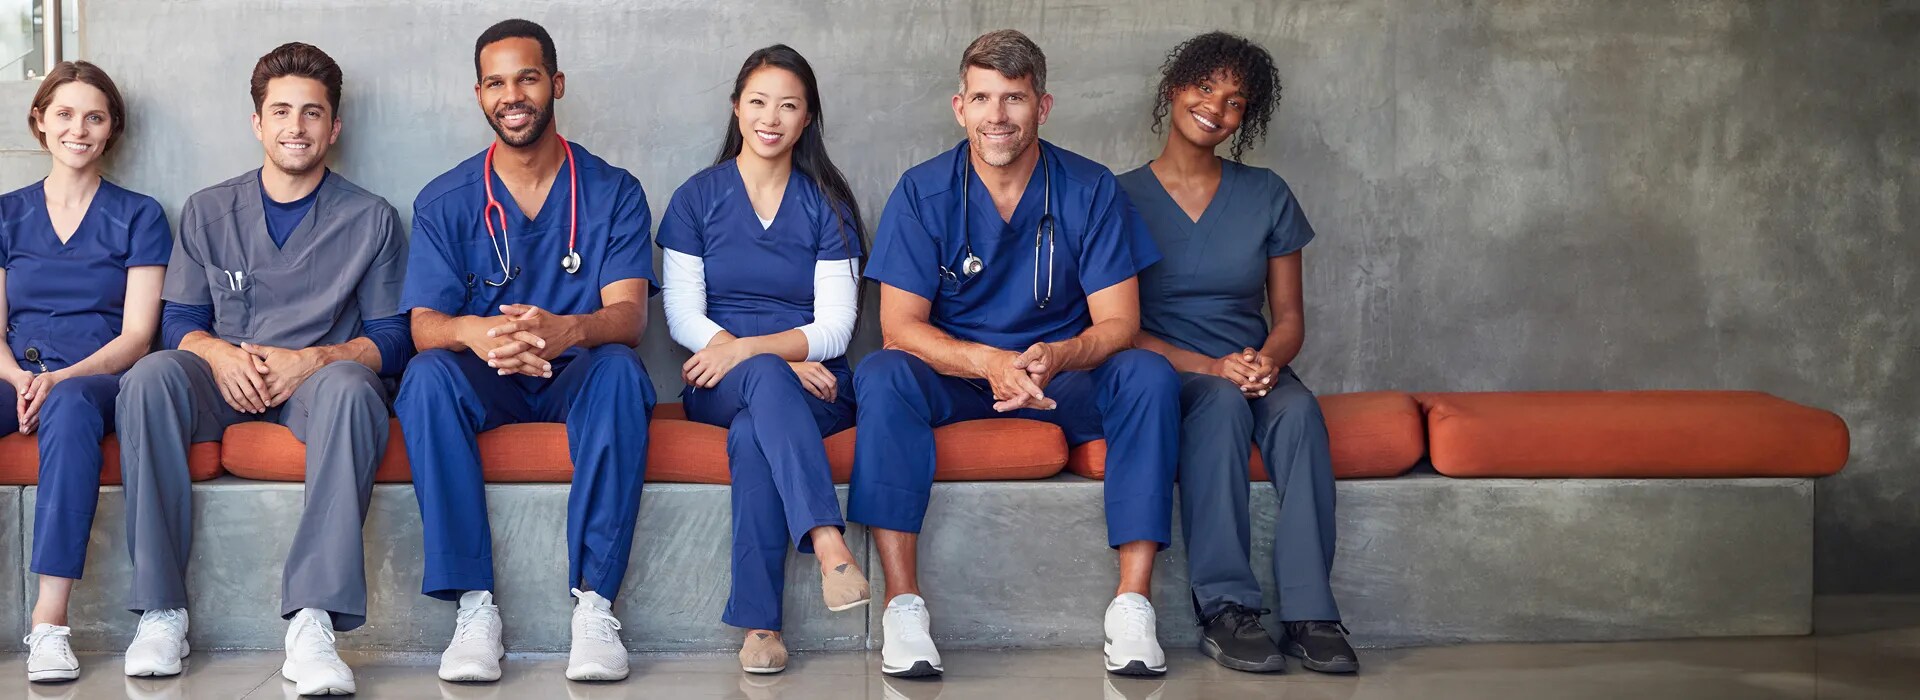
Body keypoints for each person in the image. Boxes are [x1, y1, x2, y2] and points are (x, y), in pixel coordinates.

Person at [849, 29, 1179, 678]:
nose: (996, 115)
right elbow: (899, 327)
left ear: (1043, 106)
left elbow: (1120, 323)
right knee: (884, 374)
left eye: (1014, 98)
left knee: (1147, 372)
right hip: (959, 379)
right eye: (982, 98)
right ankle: (903, 606)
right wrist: (987, 362)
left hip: (1060, 376)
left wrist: (1059, 353)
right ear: (959, 107)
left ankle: (1133, 606)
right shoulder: (922, 192)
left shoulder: (1090, 188)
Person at [116, 43, 410, 695]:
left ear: (334, 127)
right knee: (149, 379)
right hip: (224, 380)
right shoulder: (207, 210)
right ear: (257, 122)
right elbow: (178, 321)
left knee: (354, 388)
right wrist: (219, 353)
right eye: (280, 111)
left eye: (312, 113)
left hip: (317, 387)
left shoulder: (372, 219)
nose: (295, 127)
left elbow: (394, 338)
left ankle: (313, 620)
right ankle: (161, 612)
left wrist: (313, 360)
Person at [396, 18, 655, 684]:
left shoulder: (613, 191)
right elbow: (424, 324)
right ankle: (474, 609)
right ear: (479, 94)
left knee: (623, 371)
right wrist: (473, 332)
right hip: (488, 378)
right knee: (426, 376)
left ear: (556, 84)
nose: (512, 96)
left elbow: (629, 316)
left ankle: (595, 606)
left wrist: (570, 329)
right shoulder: (446, 200)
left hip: (578, 373)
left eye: (528, 78)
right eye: (496, 83)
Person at [1120, 31, 1357, 674]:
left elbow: (1289, 317)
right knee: (1220, 405)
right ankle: (1225, 610)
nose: (1216, 108)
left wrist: (1268, 361)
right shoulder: (1117, 197)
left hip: (1254, 364)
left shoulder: (1267, 193)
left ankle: (1311, 614)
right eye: (1205, 88)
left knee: (1300, 413)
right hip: (1171, 369)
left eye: (1235, 101)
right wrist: (1211, 368)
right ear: (1175, 88)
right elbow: (1116, 327)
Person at [659, 44, 870, 675]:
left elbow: (836, 328)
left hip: (815, 384)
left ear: (807, 118)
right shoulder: (695, 199)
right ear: (736, 108)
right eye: (757, 102)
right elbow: (683, 318)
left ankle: (761, 626)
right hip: (717, 381)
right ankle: (828, 541)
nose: (770, 118)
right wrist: (762, 361)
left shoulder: (827, 205)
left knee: (755, 434)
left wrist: (757, 351)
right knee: (761, 389)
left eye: (788, 105)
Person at [4, 61, 168, 684]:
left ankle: (49, 625)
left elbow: (137, 336)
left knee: (70, 407)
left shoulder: (140, 215)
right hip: (16, 375)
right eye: (65, 114)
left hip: (98, 378)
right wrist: (19, 378)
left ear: (111, 130)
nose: (79, 129)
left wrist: (62, 377)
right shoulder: (5, 214)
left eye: (95, 117)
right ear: (40, 121)